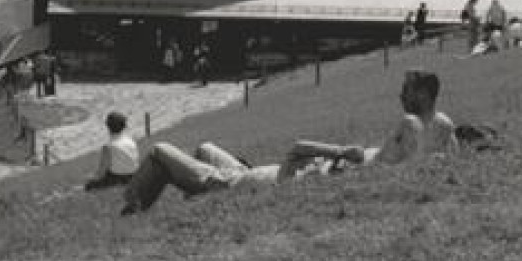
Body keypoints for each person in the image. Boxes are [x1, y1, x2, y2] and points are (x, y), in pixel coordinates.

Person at [121, 71, 458, 213]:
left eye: (407, 89)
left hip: (247, 183)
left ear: (423, 95)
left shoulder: (401, 139)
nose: (400, 94)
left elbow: (299, 147)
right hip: (260, 174)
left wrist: (340, 153)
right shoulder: (433, 132)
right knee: (206, 148)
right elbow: (435, 157)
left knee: (160, 152)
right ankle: (197, 200)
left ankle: (130, 210)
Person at [85, 112, 140, 191]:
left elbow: (101, 171)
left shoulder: (108, 146)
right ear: (124, 126)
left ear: (108, 126)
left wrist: (92, 179)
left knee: (89, 185)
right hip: (133, 176)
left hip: (117, 178)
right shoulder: (131, 141)